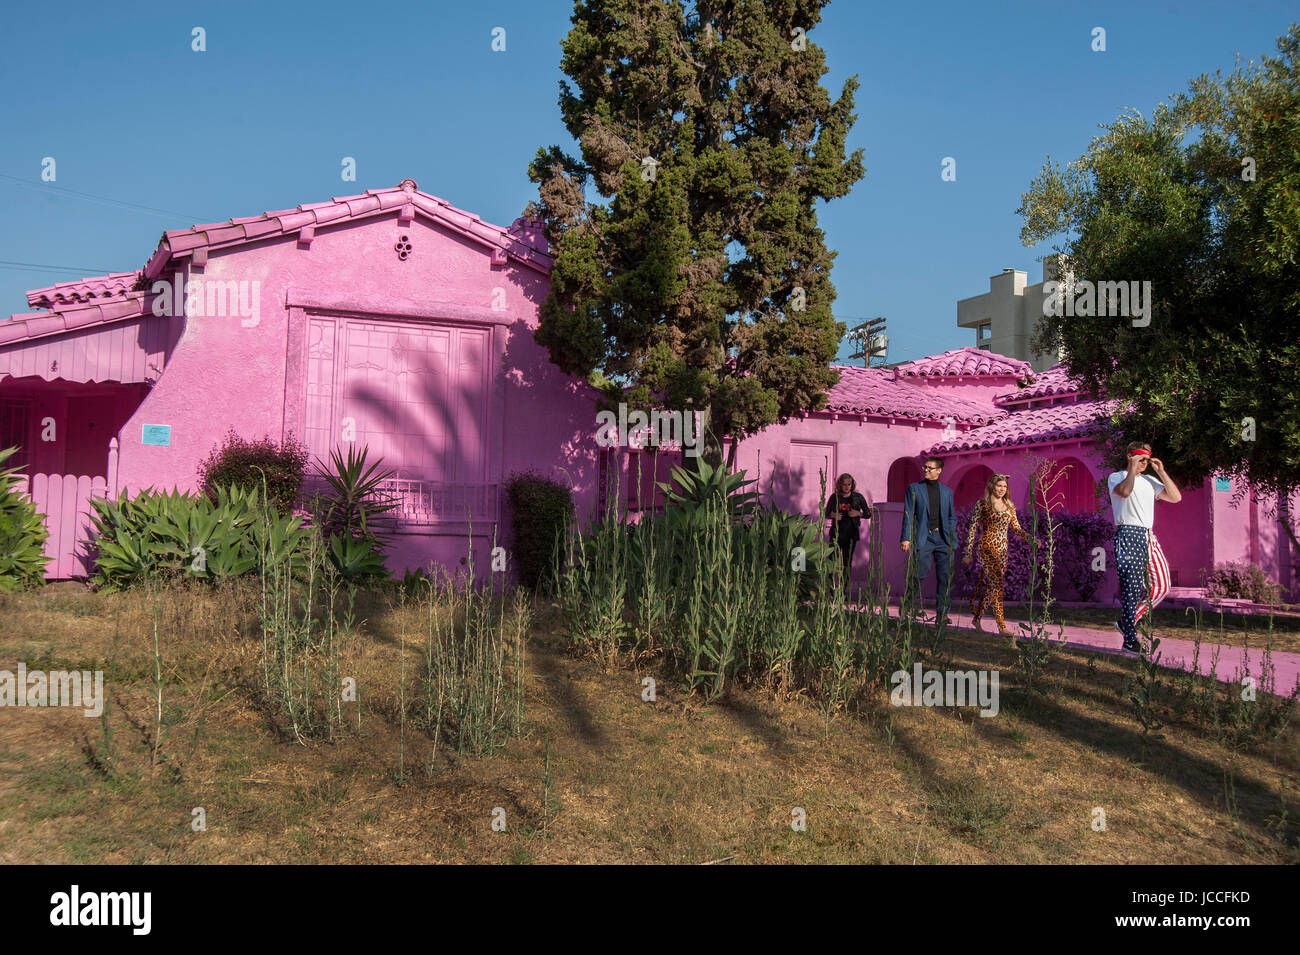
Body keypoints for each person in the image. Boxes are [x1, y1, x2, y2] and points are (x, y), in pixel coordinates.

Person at [1108, 441, 1181, 653]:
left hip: (1148, 535)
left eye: (1146, 459)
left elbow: (1175, 497)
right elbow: (1125, 492)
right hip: (1128, 533)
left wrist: (1161, 472)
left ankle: (1128, 621)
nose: (1143, 463)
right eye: (1140, 458)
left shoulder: (1150, 481)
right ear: (1129, 456)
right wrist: (1132, 468)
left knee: (1163, 585)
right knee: (1131, 588)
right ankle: (1130, 640)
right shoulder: (1117, 477)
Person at [963, 473, 1029, 636]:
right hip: (986, 548)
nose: (1002, 489)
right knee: (998, 584)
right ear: (992, 486)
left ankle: (977, 618)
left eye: (1005, 486)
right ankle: (1001, 626)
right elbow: (972, 528)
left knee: (992, 587)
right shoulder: (983, 504)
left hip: (1002, 551)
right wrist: (968, 552)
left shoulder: (1009, 505)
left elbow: (1017, 528)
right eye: (999, 485)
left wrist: (1031, 539)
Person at [900, 456, 957, 623]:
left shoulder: (947, 492)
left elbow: (951, 516)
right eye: (925, 467)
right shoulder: (914, 489)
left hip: (943, 539)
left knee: (945, 577)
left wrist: (951, 536)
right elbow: (908, 514)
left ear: (939, 471)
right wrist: (905, 538)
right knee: (918, 575)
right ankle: (907, 609)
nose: (925, 470)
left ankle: (942, 614)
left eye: (929, 468)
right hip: (924, 537)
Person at [825, 473, 870, 588]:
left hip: (851, 535)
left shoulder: (858, 497)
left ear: (852, 484)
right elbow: (826, 513)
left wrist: (858, 513)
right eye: (844, 484)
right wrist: (833, 515)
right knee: (832, 561)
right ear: (840, 485)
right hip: (836, 535)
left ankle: (844, 589)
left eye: (849, 484)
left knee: (847, 562)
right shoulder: (835, 497)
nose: (846, 487)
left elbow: (868, 513)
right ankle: (830, 588)